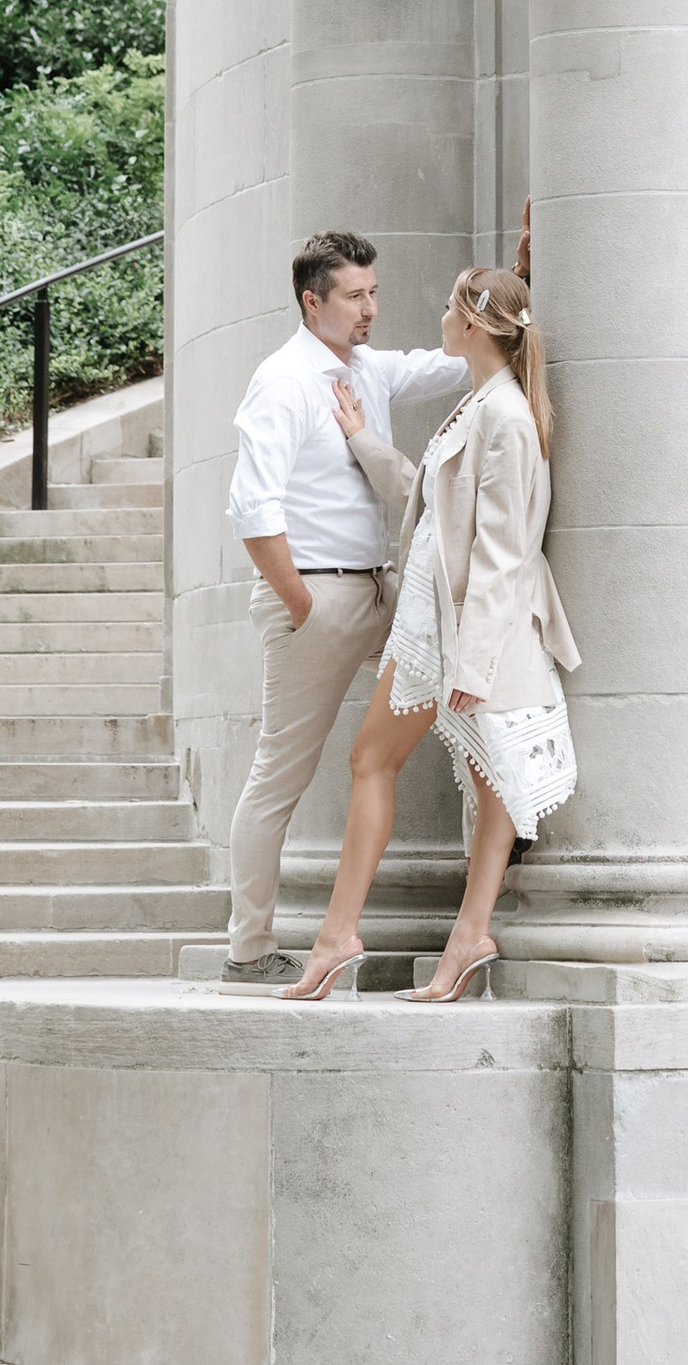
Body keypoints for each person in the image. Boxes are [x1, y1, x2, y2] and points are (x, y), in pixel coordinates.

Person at [216, 225, 508, 985]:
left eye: (374, 292)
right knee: (282, 771)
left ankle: (488, 885)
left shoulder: (369, 369)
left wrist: (516, 280)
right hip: (317, 596)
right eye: (354, 296)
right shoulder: (283, 381)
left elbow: (455, 362)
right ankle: (248, 949)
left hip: (384, 590)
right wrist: (300, 603)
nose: (370, 307)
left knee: (470, 717)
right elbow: (252, 508)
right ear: (313, 302)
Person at [283, 264, 578, 1004]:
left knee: (393, 762)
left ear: (473, 326)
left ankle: (348, 938)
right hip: (431, 627)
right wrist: (363, 442)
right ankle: (455, 937)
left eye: (449, 307)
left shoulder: (506, 414)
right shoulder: (483, 404)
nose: (438, 318)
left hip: (459, 637)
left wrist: (473, 664)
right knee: (480, 780)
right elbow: (433, 499)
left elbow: (503, 552)